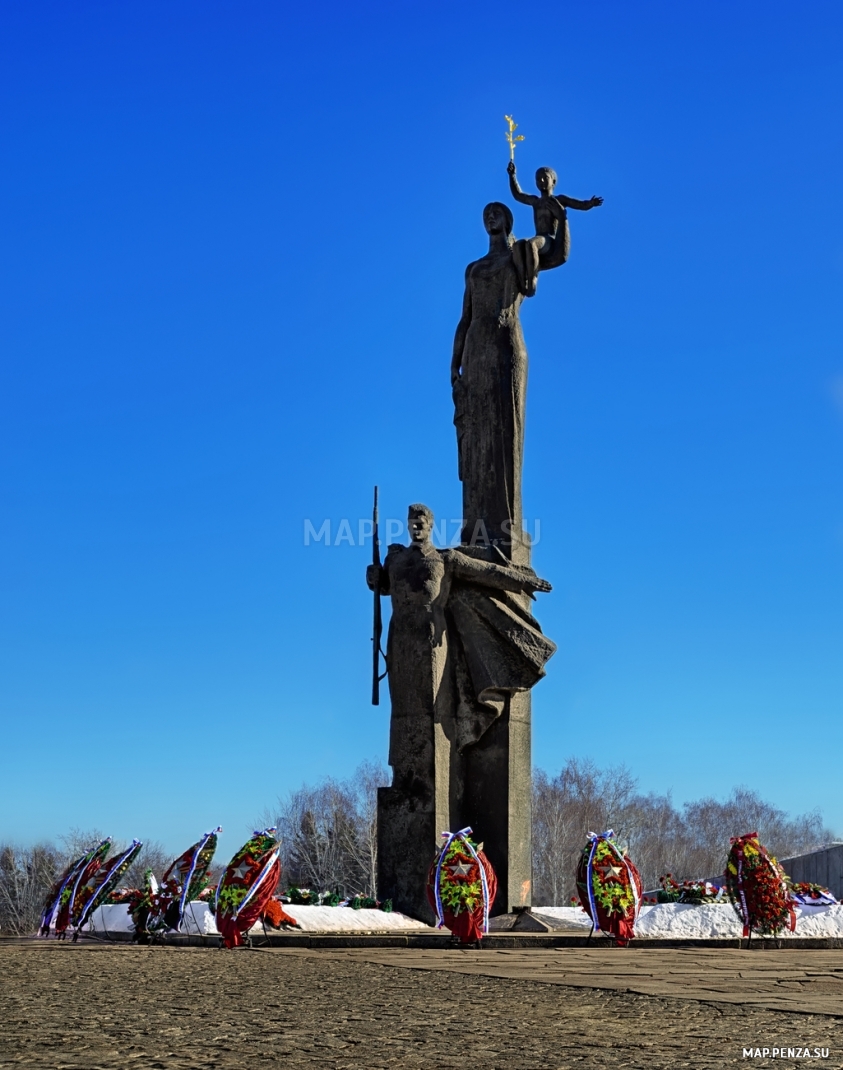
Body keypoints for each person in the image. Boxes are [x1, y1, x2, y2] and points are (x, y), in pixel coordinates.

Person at [507, 161, 602, 295]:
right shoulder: (535, 201)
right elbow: (517, 195)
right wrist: (512, 176)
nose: (541, 181)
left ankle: (532, 278)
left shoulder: (559, 200)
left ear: (553, 181)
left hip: (549, 240)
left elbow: (579, 204)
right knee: (517, 246)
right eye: (538, 179)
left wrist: (590, 203)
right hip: (539, 237)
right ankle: (522, 279)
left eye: (545, 178)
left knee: (531, 243)